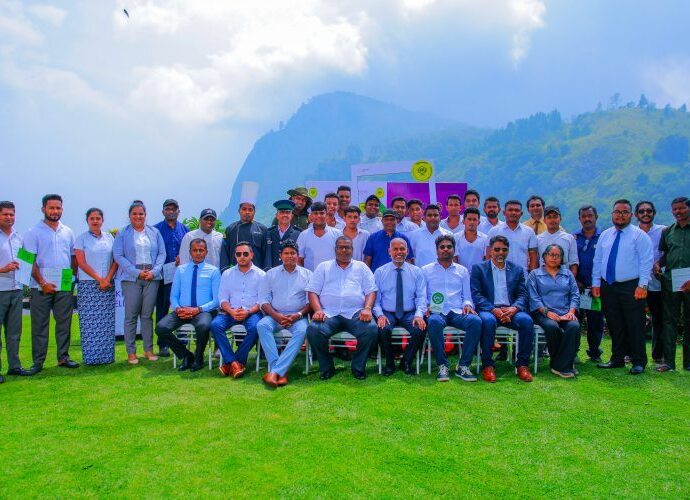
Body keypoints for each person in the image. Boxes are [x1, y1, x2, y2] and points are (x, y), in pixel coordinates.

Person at [592, 199, 653, 375]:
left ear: (631, 215)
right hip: (608, 285)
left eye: (625, 212)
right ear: (612, 214)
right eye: (617, 212)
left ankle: (638, 361)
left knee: (635, 324)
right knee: (614, 323)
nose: (620, 215)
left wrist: (643, 285)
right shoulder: (605, 235)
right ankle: (617, 358)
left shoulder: (639, 236)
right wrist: (596, 283)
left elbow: (646, 262)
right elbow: (598, 260)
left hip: (632, 286)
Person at [306, 236, 378, 380]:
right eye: (341, 247)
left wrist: (367, 308)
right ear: (335, 249)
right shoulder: (324, 267)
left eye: (347, 247)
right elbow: (312, 291)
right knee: (314, 330)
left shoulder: (361, 267)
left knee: (370, 329)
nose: (344, 250)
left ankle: (358, 367)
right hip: (329, 313)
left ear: (352, 249)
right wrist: (318, 310)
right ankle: (327, 368)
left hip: (355, 313)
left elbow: (371, 291)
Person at [23, 194, 78, 374]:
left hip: (64, 285)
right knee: (40, 324)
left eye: (58, 208)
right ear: (43, 209)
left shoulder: (68, 231)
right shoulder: (32, 232)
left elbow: (73, 257)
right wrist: (42, 282)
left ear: (62, 209)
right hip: (40, 286)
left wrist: (71, 279)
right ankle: (38, 362)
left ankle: (63, 357)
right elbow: (29, 260)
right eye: (51, 208)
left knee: (64, 323)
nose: (55, 211)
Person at [471, 235, 535, 382]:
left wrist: (514, 308)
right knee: (487, 322)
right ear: (490, 251)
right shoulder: (479, 269)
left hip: (511, 310)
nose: (501, 253)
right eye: (497, 249)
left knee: (527, 321)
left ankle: (522, 365)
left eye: (504, 250)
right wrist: (493, 309)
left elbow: (522, 294)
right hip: (489, 310)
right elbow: (477, 294)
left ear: (508, 251)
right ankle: (488, 365)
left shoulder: (517, 270)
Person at [423, 235, 482, 382]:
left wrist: (467, 305)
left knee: (475, 321)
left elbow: (467, 296)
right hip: (437, 311)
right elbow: (421, 295)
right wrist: (426, 305)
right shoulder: (426, 270)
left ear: (454, 250)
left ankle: (463, 366)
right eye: (442, 247)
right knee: (434, 322)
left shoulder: (462, 271)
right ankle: (442, 365)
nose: (445, 249)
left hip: (457, 312)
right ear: (436, 250)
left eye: (449, 247)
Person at [113, 200, 166, 364]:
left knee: (147, 315)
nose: (138, 217)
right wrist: (136, 272)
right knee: (131, 316)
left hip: (151, 277)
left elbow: (162, 254)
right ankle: (131, 353)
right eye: (134, 214)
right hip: (131, 278)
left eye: (141, 214)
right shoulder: (122, 233)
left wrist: (154, 272)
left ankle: (148, 350)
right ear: (129, 215)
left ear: (145, 215)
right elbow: (118, 255)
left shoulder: (155, 232)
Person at [155, 238, 220, 372]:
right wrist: (178, 308)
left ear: (206, 252)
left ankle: (198, 358)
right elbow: (174, 295)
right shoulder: (181, 270)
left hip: (203, 311)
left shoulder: (213, 271)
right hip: (182, 310)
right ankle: (186, 355)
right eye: (195, 250)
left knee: (203, 326)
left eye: (201, 250)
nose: (198, 253)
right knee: (161, 328)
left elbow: (216, 300)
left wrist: (198, 309)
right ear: (190, 252)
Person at [257, 240, 312, 387]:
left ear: (297, 255)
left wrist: (298, 315)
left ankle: (275, 372)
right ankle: (281, 371)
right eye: (286, 253)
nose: (289, 256)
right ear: (280, 255)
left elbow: (310, 302)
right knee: (262, 325)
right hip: (275, 316)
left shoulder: (308, 274)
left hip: (298, 317)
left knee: (303, 330)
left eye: (293, 253)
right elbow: (263, 300)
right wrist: (276, 316)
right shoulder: (270, 274)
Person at [211, 242, 265, 378]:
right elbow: (222, 299)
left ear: (252, 255)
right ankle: (235, 362)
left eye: (245, 254)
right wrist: (231, 311)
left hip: (252, 312)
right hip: (230, 312)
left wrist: (248, 311)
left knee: (255, 327)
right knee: (215, 325)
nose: (242, 257)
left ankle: (232, 362)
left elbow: (262, 301)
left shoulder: (261, 275)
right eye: (238, 254)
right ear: (235, 256)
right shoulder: (227, 274)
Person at [373, 238, 427, 376]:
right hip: (387, 312)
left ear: (407, 251)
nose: (399, 252)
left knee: (419, 329)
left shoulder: (416, 271)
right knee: (383, 329)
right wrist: (380, 315)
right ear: (389, 251)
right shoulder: (380, 272)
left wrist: (419, 315)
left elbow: (421, 297)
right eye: (395, 249)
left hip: (409, 312)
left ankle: (406, 362)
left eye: (402, 249)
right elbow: (375, 300)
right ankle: (389, 363)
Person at [527, 244, 581, 378]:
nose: (554, 258)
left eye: (558, 255)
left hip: (565, 312)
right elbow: (533, 297)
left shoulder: (567, 274)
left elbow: (575, 294)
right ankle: (564, 365)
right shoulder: (535, 274)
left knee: (574, 326)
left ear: (562, 258)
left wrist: (571, 312)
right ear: (544, 256)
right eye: (551, 254)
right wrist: (547, 312)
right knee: (552, 327)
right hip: (543, 313)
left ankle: (558, 365)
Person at [74, 208, 118, 365]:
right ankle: (91, 358)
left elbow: (116, 260)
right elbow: (81, 263)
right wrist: (99, 279)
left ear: (102, 220)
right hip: (89, 285)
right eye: (92, 218)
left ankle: (107, 357)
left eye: (98, 218)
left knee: (106, 323)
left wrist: (107, 279)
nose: (95, 221)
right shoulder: (81, 239)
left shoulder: (110, 238)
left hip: (107, 285)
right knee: (89, 322)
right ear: (87, 220)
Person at [656, 197, 690, 372]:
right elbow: (666, 254)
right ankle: (669, 362)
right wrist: (657, 264)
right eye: (675, 209)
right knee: (669, 321)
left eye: (681, 208)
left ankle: (688, 363)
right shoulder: (667, 231)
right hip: (671, 282)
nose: (678, 212)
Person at [153, 199, 189, 357]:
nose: (171, 212)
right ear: (163, 211)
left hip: (181, 275)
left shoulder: (185, 230)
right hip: (162, 275)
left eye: (174, 209)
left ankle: (183, 341)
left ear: (178, 212)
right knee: (162, 309)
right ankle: (163, 345)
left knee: (182, 307)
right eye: (168, 209)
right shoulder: (155, 230)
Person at [635, 201, 666, 364]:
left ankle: (658, 354)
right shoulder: (632, 233)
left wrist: (659, 263)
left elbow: (669, 252)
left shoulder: (663, 231)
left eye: (649, 211)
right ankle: (632, 352)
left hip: (656, 283)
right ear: (636, 214)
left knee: (658, 319)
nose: (645, 214)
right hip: (635, 284)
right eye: (641, 211)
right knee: (634, 319)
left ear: (654, 212)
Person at [573, 205, 604, 362]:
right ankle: (574, 351)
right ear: (579, 219)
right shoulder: (574, 238)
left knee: (595, 322)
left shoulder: (603, 237)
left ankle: (594, 351)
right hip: (577, 287)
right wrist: (576, 281)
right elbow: (570, 261)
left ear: (596, 217)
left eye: (590, 216)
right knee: (575, 320)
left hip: (596, 288)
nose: (587, 219)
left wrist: (597, 283)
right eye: (583, 216)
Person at [0, 201, 27, 376]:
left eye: (12, 214)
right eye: (5, 214)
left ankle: (14, 367)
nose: (9, 217)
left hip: (16, 289)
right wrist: (2, 269)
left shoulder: (19, 238)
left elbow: (25, 261)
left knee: (14, 332)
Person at [486, 200, 538, 275]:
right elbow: (488, 255)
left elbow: (533, 257)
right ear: (504, 213)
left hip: (522, 276)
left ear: (521, 213)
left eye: (517, 210)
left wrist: (531, 275)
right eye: (510, 210)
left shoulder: (529, 232)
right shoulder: (494, 231)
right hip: (498, 274)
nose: (513, 213)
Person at [220, 201, 268, 271]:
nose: (247, 212)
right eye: (244, 209)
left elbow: (267, 254)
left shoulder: (262, 229)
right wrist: (224, 270)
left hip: (256, 272)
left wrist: (265, 271)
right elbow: (224, 253)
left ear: (254, 212)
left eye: (250, 210)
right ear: (239, 211)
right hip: (235, 272)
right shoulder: (230, 229)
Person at [296, 201, 342, 271]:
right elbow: (299, 260)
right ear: (311, 215)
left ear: (326, 214)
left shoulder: (337, 234)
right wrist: (305, 275)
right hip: (310, 276)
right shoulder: (303, 235)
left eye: (322, 213)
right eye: (315, 213)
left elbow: (342, 257)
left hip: (332, 275)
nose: (319, 216)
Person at [537, 206, 578, 275]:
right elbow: (536, 262)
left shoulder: (569, 238)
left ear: (560, 219)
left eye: (555, 217)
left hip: (564, 278)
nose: (552, 220)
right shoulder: (538, 239)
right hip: (543, 279)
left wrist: (571, 279)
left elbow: (573, 262)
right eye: (549, 217)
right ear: (544, 220)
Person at [264, 200, 302, 269]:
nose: (285, 215)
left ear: (291, 216)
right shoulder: (268, 233)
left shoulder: (298, 234)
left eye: (287, 212)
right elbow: (266, 255)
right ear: (277, 216)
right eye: (282, 212)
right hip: (273, 272)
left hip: (291, 271)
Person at [454, 207, 488, 272]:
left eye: (474, 219)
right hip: (460, 274)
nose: (472, 222)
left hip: (479, 275)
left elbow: (486, 259)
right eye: (469, 219)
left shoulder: (485, 238)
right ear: (463, 221)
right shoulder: (455, 238)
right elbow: (454, 258)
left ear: (478, 222)